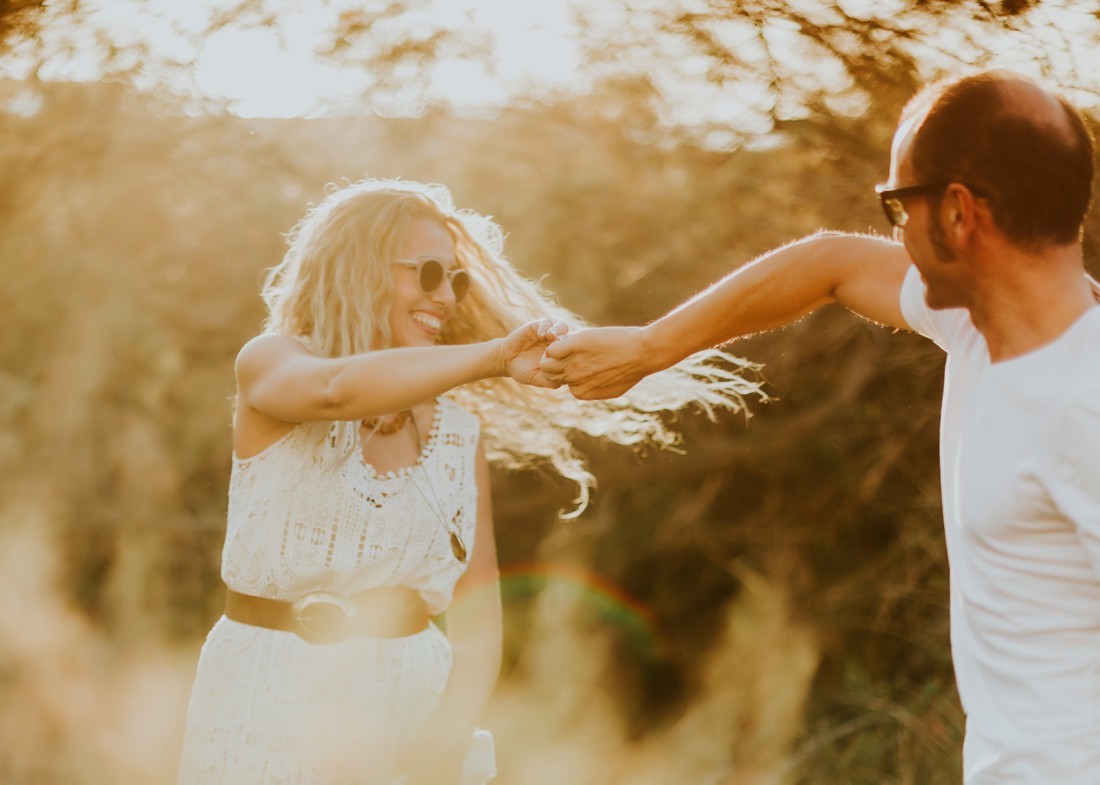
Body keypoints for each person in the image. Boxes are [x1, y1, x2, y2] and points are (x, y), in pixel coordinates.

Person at [541, 70, 1100, 784]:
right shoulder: (978, 323)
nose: (895, 231)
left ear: (960, 212)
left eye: (898, 205)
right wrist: (648, 349)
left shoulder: (1083, 402)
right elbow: (829, 263)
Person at [177, 178, 765, 785]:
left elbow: (478, 614)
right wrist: (495, 358)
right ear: (358, 267)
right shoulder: (271, 360)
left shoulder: (457, 433)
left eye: (456, 281)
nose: (446, 297)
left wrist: (449, 736)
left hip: (413, 707)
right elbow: (334, 392)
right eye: (429, 273)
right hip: (268, 696)